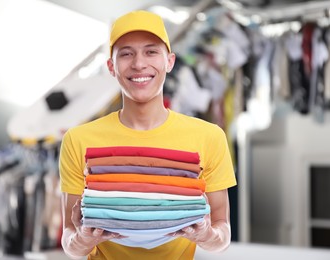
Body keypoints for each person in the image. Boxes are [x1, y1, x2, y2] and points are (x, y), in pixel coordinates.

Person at [59, 10, 237, 260]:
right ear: (111, 66)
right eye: (126, 53)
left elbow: (222, 232)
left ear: (170, 61)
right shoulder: (78, 140)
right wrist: (81, 240)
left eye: (151, 51)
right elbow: (69, 238)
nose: (139, 64)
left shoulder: (209, 137)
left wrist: (207, 236)